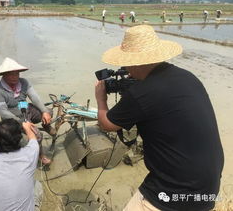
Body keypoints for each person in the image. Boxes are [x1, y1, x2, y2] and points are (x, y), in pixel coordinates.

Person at [95, 25, 224, 211]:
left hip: (173, 189)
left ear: (136, 61)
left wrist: (101, 98)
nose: (128, 70)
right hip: (208, 187)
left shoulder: (142, 93)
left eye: (127, 64)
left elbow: (107, 124)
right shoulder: (188, 77)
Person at [0, 57, 55, 164]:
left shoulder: (23, 82)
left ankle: (46, 125)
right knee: (37, 136)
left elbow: (34, 97)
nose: (15, 77)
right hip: (12, 118)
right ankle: (41, 156)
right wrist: (23, 123)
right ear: (4, 75)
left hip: (24, 108)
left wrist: (44, 111)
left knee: (49, 112)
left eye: (17, 73)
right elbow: (4, 112)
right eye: (11, 74)